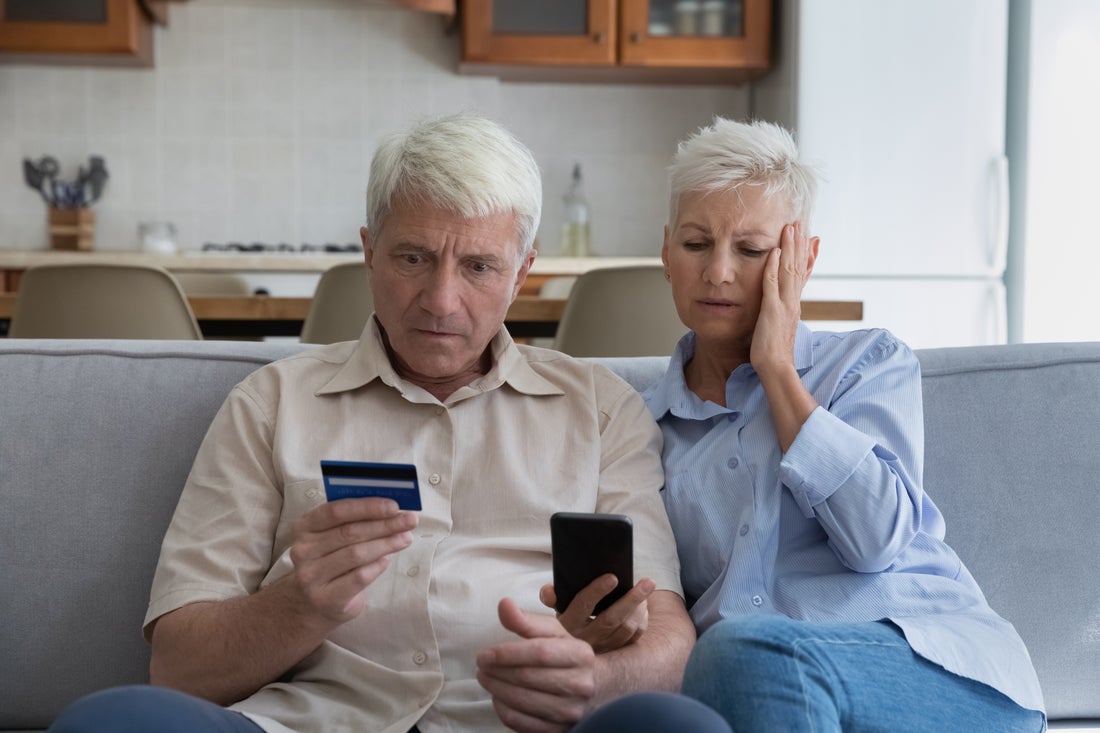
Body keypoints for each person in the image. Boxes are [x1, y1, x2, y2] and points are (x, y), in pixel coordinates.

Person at [47, 113, 727, 733]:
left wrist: (598, 681)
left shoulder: (603, 410)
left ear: (523, 271)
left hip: (526, 727)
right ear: (368, 251)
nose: (441, 299)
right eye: (412, 258)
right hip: (311, 723)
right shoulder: (271, 402)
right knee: (111, 721)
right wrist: (300, 606)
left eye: (479, 265)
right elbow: (178, 666)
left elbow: (668, 637)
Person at [598, 117, 1047, 731]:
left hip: (932, 667)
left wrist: (778, 370)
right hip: (760, 692)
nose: (719, 271)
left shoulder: (868, 364)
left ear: (802, 259)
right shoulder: (637, 429)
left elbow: (877, 541)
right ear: (666, 254)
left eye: (751, 250)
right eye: (696, 244)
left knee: (744, 651)